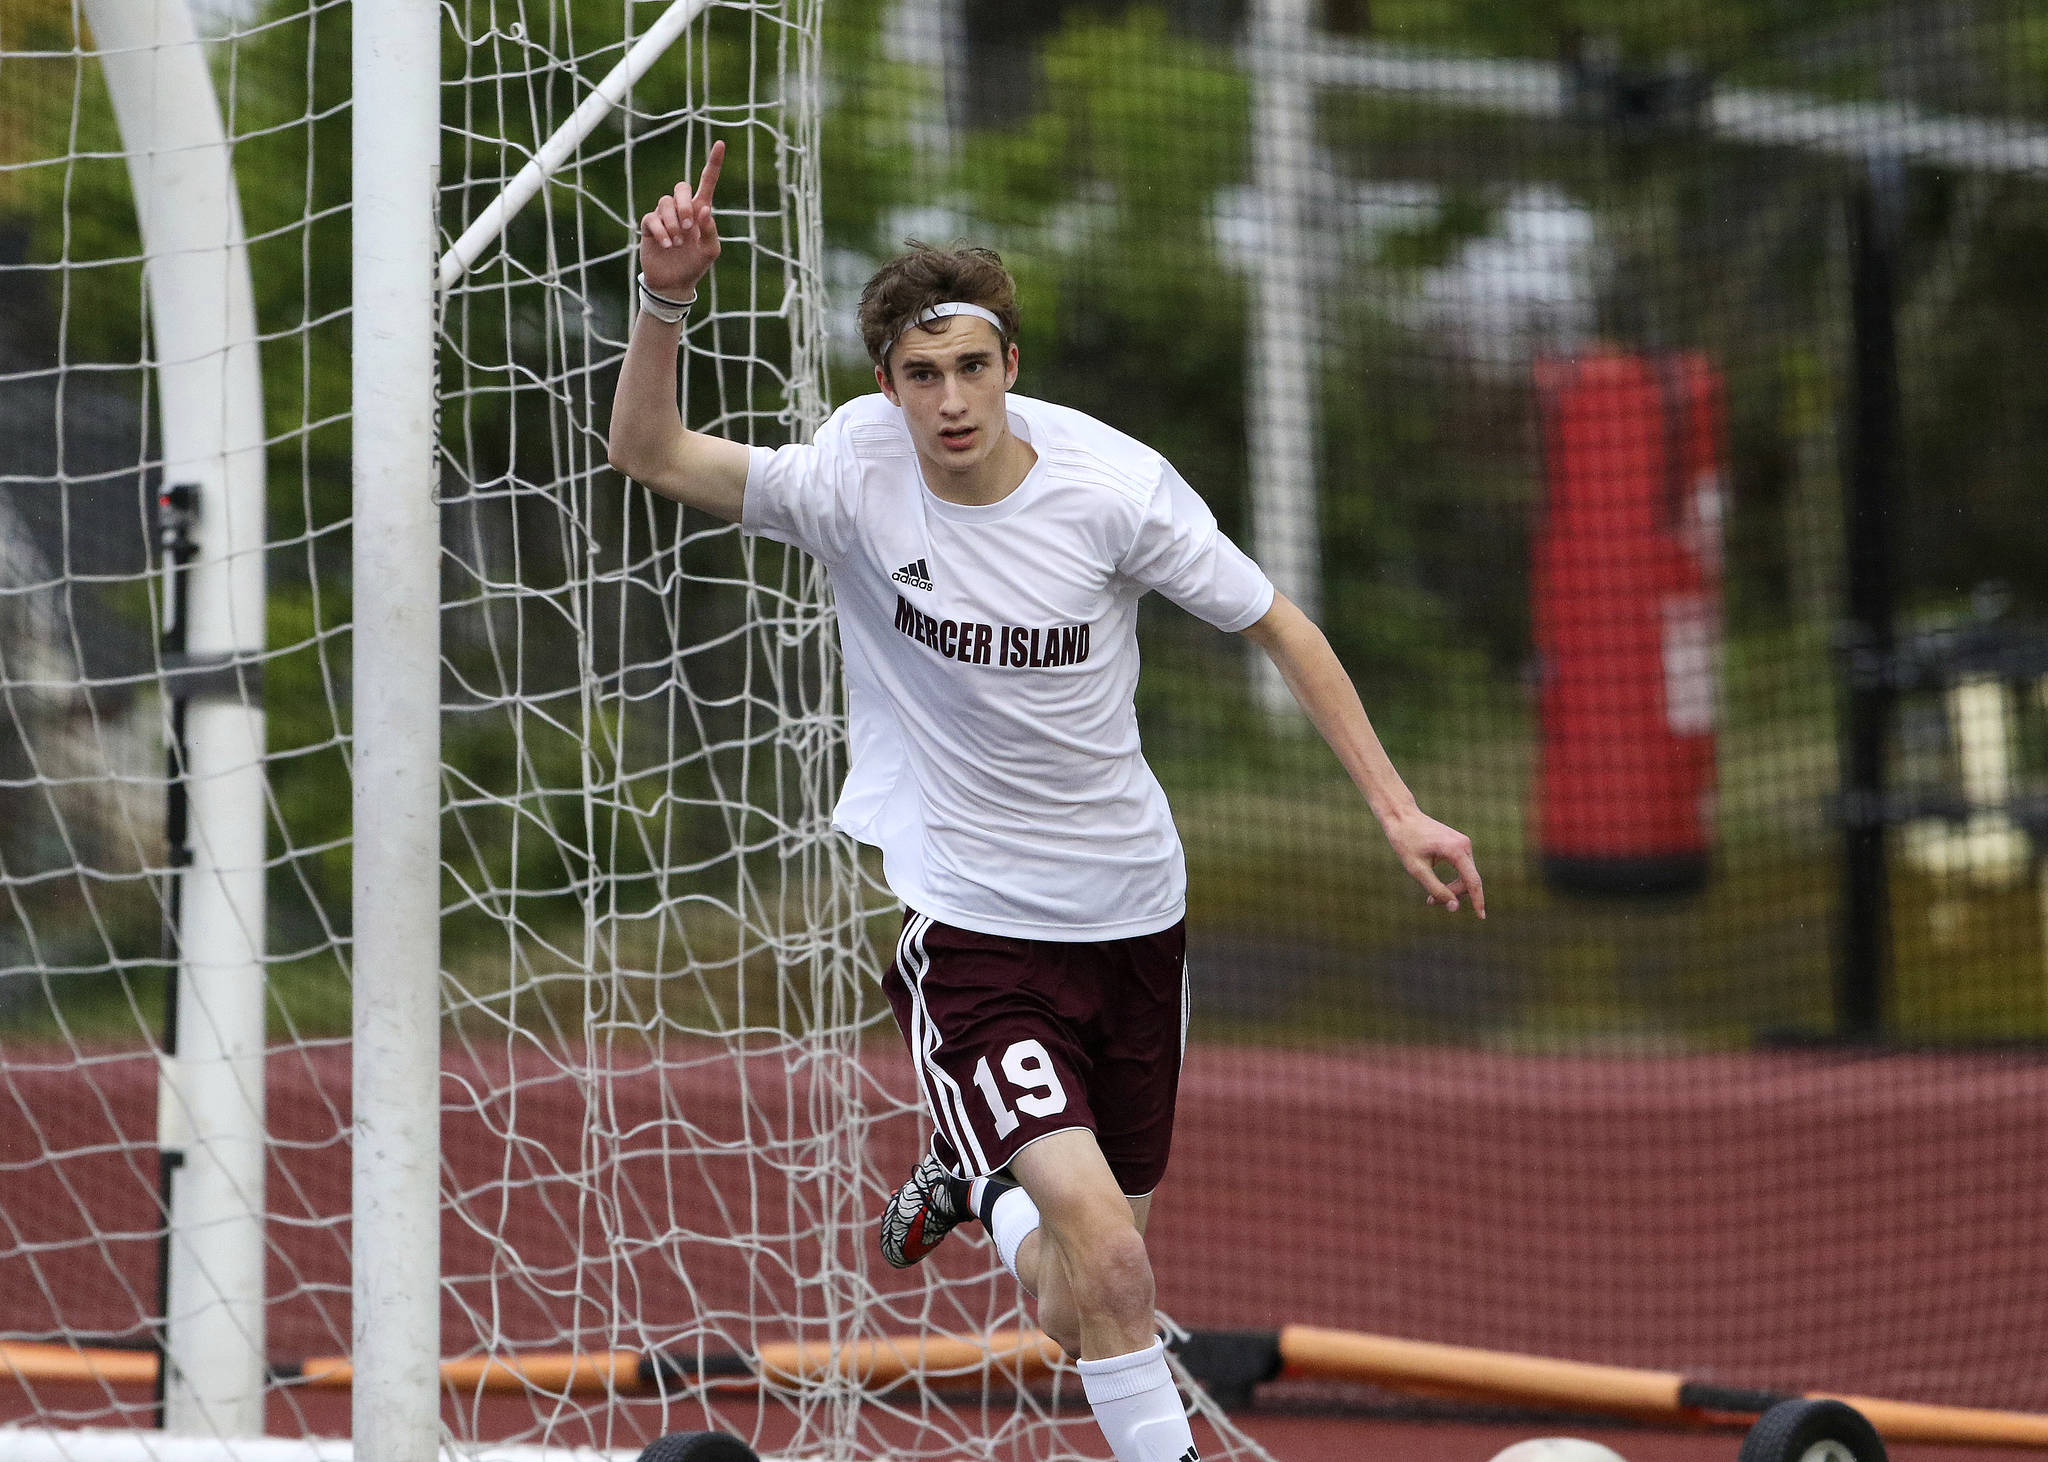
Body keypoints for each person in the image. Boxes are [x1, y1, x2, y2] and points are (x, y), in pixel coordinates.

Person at [607, 141, 1485, 1462]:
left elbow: (1281, 626)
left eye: (973, 366)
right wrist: (665, 298)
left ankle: (983, 1188)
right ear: (888, 385)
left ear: (1011, 364)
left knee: (1082, 1302)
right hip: (975, 931)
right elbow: (649, 450)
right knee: (1116, 1261)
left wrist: (1399, 810)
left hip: (1132, 918)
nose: (951, 399)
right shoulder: (852, 479)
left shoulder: (1114, 491)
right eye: (921, 375)